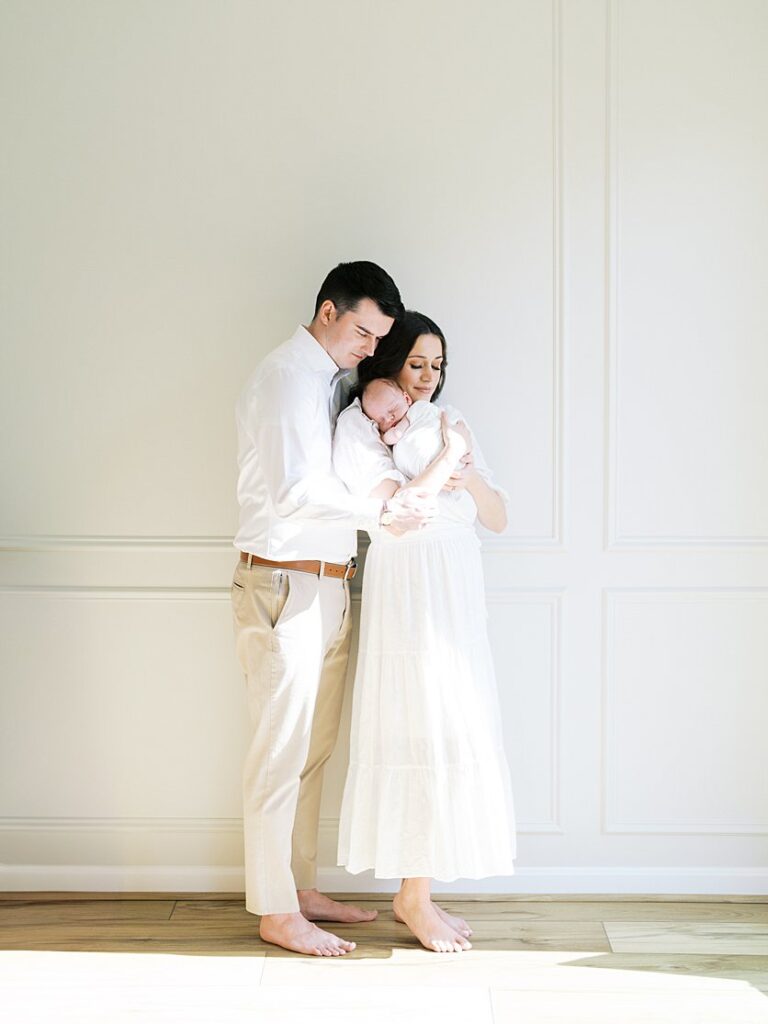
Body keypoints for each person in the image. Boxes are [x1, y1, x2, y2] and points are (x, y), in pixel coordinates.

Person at [231, 263, 435, 957]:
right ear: (327, 311)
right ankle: (275, 910)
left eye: (378, 337)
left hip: (329, 582)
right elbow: (291, 495)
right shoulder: (288, 376)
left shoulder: (332, 382)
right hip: (283, 583)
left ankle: (299, 888)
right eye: (360, 330)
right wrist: (383, 508)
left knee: (312, 753)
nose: (367, 346)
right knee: (280, 752)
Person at [333, 310, 516, 954]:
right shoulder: (359, 427)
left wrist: (461, 464)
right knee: (417, 719)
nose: (429, 379)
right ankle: (411, 895)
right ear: (387, 362)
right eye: (416, 364)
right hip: (408, 582)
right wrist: (446, 462)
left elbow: (496, 516)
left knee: (452, 722)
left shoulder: (450, 418)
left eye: (437, 366)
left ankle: (421, 891)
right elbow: (397, 515)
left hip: (457, 581)